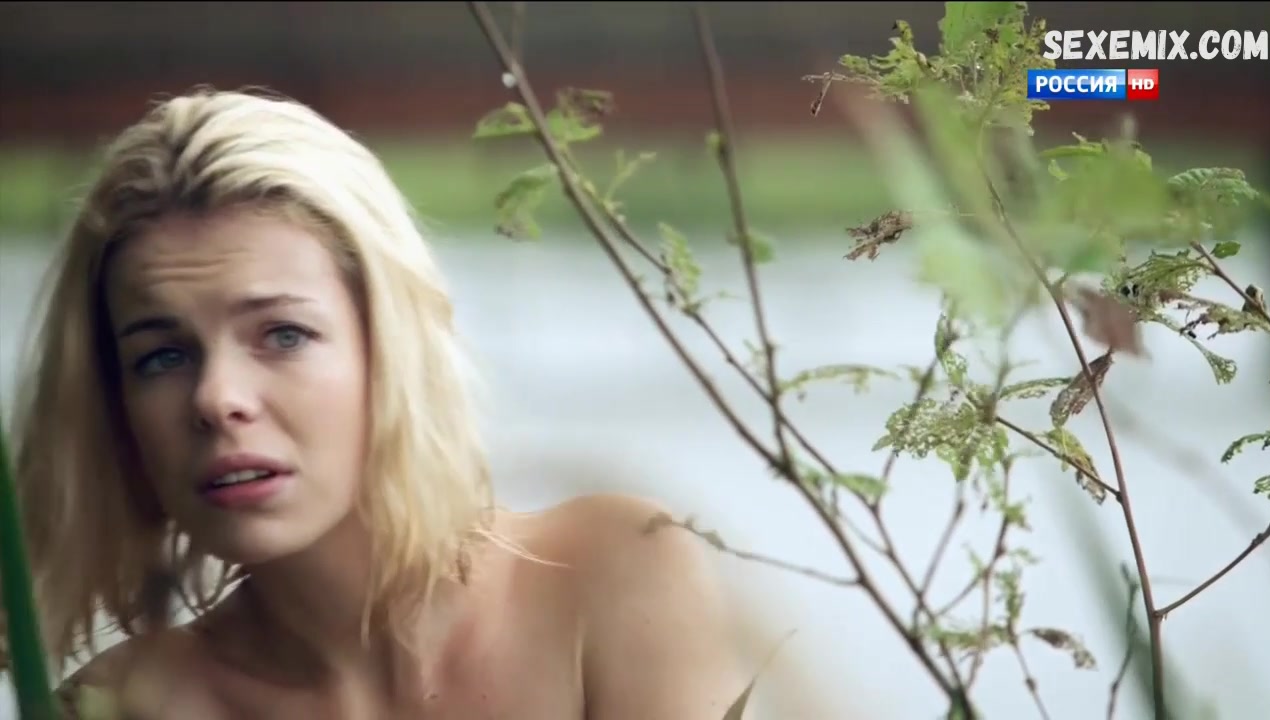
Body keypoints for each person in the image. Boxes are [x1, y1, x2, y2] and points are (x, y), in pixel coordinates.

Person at [4, 86, 746, 719]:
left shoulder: (615, 576)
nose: (216, 397)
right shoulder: (125, 705)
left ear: (389, 345)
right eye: (161, 356)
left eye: (283, 334)